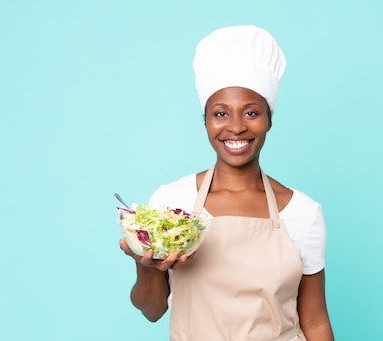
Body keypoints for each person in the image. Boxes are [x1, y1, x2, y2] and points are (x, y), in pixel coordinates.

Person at [119, 25, 334, 340]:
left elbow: (314, 322)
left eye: (250, 112)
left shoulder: (303, 213)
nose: (236, 127)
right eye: (221, 113)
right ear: (205, 121)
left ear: (269, 120)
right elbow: (152, 311)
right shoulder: (172, 202)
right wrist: (147, 268)